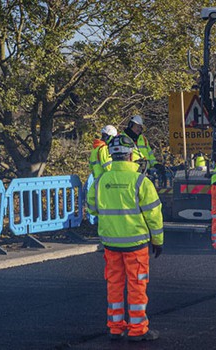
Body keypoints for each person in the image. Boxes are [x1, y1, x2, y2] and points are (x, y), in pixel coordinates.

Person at [86, 135, 164, 342]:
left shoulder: (101, 180)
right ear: (130, 155)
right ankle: (138, 329)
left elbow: (92, 207)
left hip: (111, 243)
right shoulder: (141, 181)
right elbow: (154, 215)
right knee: (137, 286)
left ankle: (116, 326)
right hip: (135, 244)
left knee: (114, 284)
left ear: (111, 156)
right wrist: (158, 241)